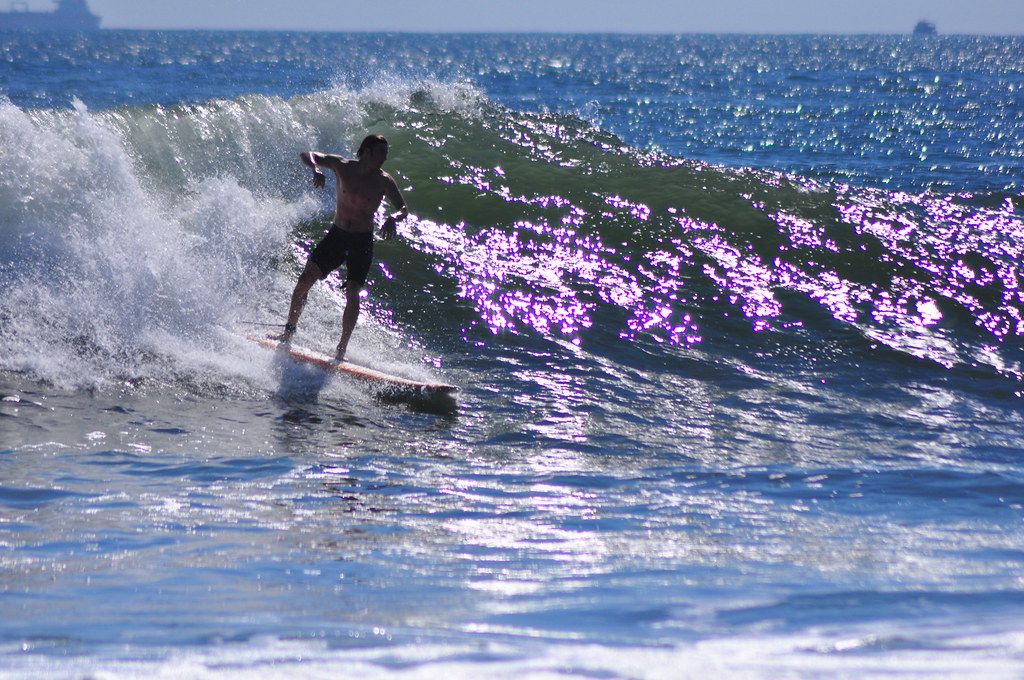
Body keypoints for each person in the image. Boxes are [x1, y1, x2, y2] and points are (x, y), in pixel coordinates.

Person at [275, 134, 408, 361]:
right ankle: (288, 333)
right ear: (367, 151)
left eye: (386, 154)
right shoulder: (342, 166)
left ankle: (341, 350)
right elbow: (307, 155)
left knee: (352, 292)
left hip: (361, 241)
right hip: (337, 236)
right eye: (381, 153)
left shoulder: (384, 181)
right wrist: (316, 169)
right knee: (305, 280)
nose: (385, 158)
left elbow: (403, 208)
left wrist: (394, 218)